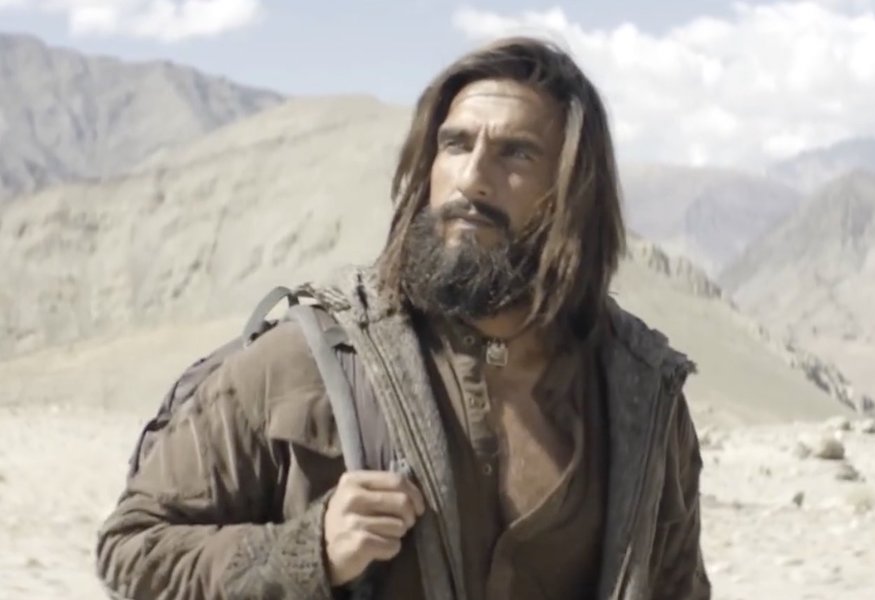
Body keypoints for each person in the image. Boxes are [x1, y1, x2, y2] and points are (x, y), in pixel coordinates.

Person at [95, 36, 710, 600]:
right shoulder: (309, 362)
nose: (472, 179)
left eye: (516, 154)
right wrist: (308, 552)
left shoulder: (638, 399)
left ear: (573, 191)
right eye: (456, 145)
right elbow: (133, 548)